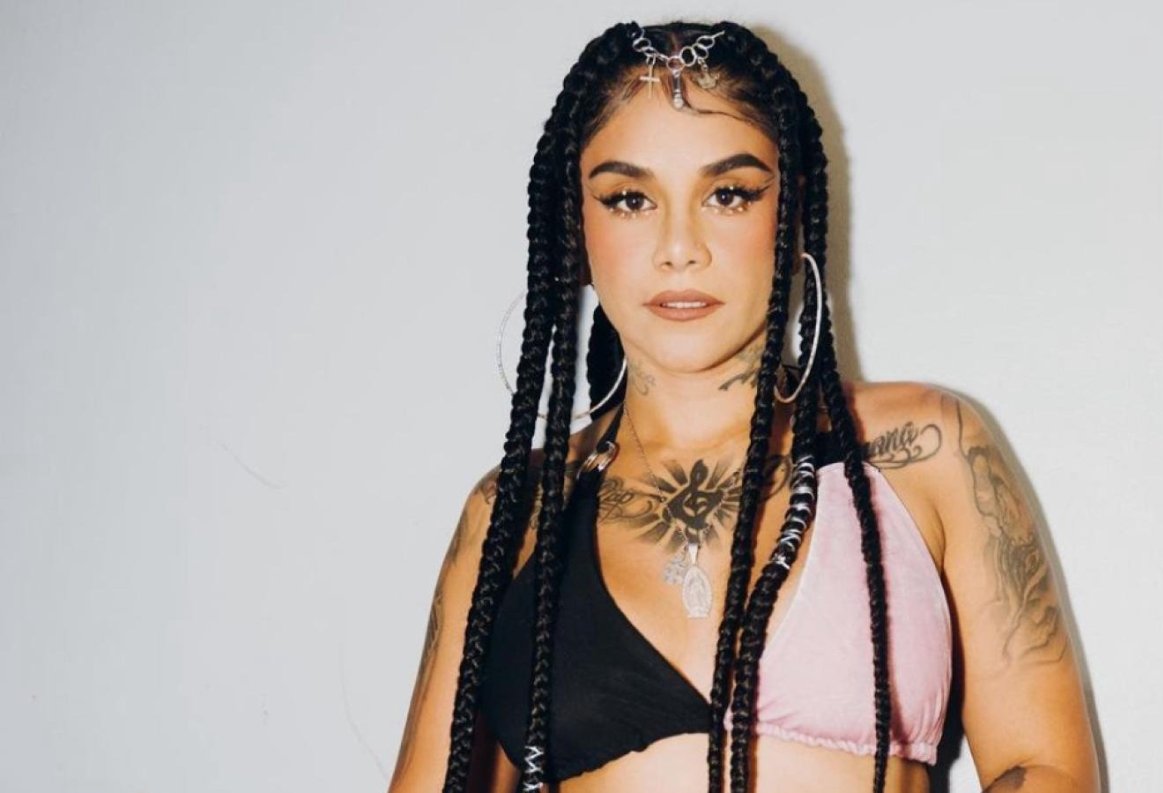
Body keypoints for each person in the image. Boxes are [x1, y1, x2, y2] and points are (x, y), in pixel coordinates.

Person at [389, 19, 1098, 793]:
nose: (679, 246)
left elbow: (1048, 766)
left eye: (728, 194)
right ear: (575, 227)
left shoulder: (922, 449)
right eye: (629, 198)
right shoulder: (514, 515)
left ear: (789, 213)